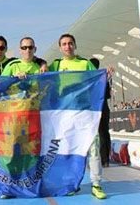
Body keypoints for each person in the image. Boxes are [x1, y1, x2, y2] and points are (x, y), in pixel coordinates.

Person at [49, 34, 106, 200]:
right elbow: (42, 79)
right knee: (67, 150)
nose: (68, 47)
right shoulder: (56, 65)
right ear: (60, 48)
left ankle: (96, 184)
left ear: (75, 45)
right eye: (64, 44)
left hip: (86, 114)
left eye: (70, 43)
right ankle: (70, 184)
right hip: (65, 116)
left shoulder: (85, 63)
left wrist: (106, 73)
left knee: (93, 147)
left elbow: (98, 81)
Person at [90, 58, 112, 168]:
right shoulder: (103, 78)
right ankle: (105, 160)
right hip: (103, 108)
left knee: (92, 134)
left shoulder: (88, 80)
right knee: (104, 133)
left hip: (93, 109)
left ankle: (93, 158)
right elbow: (108, 95)